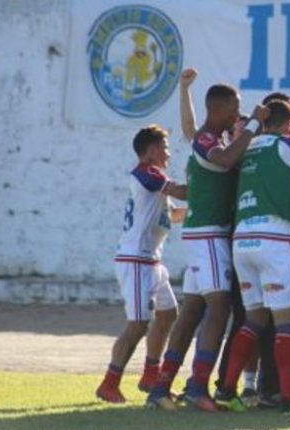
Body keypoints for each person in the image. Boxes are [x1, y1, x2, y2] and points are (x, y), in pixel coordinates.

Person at [146, 84, 268, 412]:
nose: (237, 115)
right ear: (217, 110)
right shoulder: (207, 140)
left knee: (192, 311)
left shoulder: (217, 140)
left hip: (203, 235)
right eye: (233, 109)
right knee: (219, 306)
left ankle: (161, 388)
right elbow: (225, 160)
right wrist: (254, 124)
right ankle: (198, 387)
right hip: (209, 235)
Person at [217, 100, 290, 414]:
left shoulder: (247, 147)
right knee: (286, 321)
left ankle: (227, 390)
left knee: (253, 319)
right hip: (275, 239)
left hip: (243, 239)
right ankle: (288, 398)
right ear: (289, 123)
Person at [96, 125, 186, 403]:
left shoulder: (154, 182)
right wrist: (211, 182)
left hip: (151, 261)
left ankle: (150, 375)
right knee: (137, 324)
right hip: (136, 260)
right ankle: (109, 384)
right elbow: (182, 191)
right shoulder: (148, 173)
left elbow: (174, 215)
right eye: (165, 147)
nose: (169, 153)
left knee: (168, 314)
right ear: (151, 150)